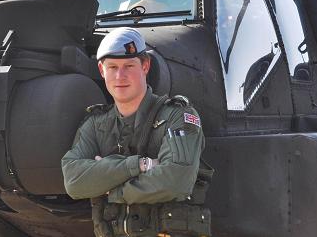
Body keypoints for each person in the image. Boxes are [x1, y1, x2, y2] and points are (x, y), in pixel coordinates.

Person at [61, 27, 212, 237]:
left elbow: (175, 181)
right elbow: (74, 182)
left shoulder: (177, 115)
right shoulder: (95, 124)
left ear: (145, 66)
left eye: (129, 66)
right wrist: (141, 165)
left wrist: (110, 188)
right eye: (112, 67)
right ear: (102, 70)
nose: (120, 76)